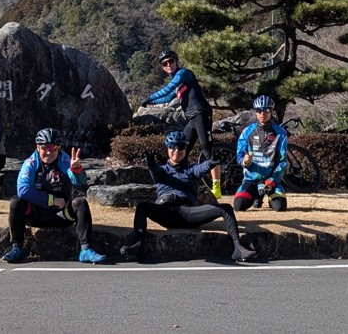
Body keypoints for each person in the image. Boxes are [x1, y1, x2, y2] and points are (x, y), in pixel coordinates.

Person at [119, 131, 256, 262]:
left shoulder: (190, 170)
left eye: (181, 147)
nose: (176, 151)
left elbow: (202, 167)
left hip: (188, 213)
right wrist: (151, 163)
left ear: (185, 150)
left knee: (225, 208)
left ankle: (238, 248)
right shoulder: (163, 171)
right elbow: (156, 171)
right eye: (172, 147)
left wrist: (212, 162)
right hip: (167, 212)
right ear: (167, 149)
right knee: (142, 207)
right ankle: (136, 246)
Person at [1, 128, 106, 264]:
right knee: (16, 201)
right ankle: (17, 248)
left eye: (53, 148)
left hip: (61, 215)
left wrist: (77, 170)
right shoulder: (31, 163)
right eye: (45, 148)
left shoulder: (64, 159)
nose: (49, 152)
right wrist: (52, 200)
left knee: (80, 202)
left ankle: (86, 250)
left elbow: (79, 182)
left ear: (59, 148)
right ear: (37, 148)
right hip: (36, 215)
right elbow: (23, 190)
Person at [139, 49, 221, 198]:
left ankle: (216, 187)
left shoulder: (184, 74)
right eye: (165, 63)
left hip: (201, 115)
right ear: (163, 67)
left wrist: (149, 96)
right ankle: (180, 181)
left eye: (171, 61)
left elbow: (168, 88)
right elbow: (168, 97)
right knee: (182, 148)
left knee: (208, 151)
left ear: (176, 61)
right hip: (191, 119)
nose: (168, 64)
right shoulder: (178, 82)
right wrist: (149, 102)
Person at [234, 95, 288, 212]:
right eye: (259, 110)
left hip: (271, 179)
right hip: (251, 178)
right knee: (239, 206)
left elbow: (282, 161)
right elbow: (239, 155)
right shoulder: (247, 131)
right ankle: (256, 196)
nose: (262, 113)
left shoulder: (281, 133)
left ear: (271, 112)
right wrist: (245, 161)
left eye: (266, 110)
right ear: (255, 112)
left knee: (280, 207)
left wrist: (272, 180)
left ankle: (269, 197)